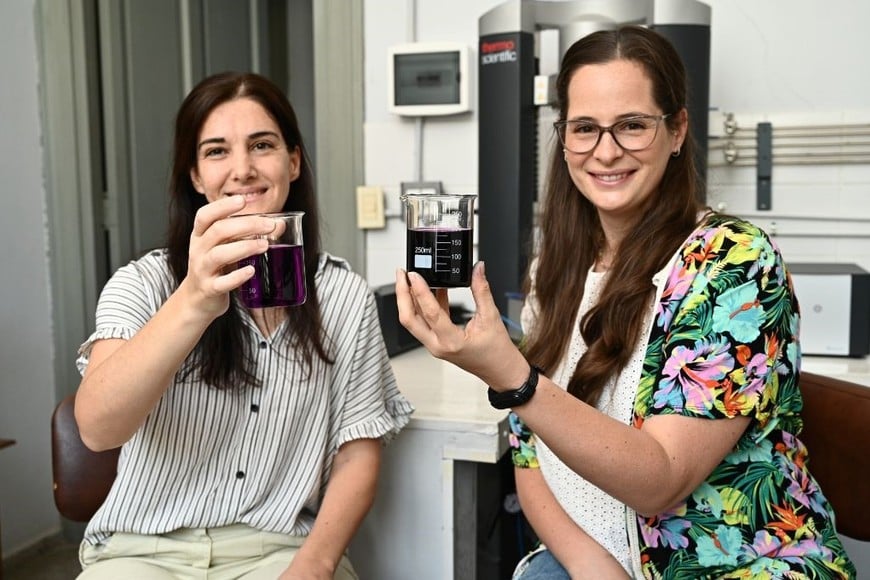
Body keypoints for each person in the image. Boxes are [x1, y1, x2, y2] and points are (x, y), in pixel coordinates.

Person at [395, 26, 856, 579]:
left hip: (734, 565)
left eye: (632, 126)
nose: (606, 151)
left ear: (678, 129)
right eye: (585, 128)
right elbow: (529, 455)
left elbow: (661, 479)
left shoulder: (731, 263)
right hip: (593, 558)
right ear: (563, 138)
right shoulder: (556, 268)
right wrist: (594, 567)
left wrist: (513, 378)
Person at [73, 71, 413, 580]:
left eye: (262, 145)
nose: (243, 169)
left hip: (280, 549)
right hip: (142, 551)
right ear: (194, 176)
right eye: (216, 151)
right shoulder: (142, 284)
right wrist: (192, 301)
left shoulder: (344, 296)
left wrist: (316, 564)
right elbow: (99, 430)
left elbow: (356, 453)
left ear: (292, 161)